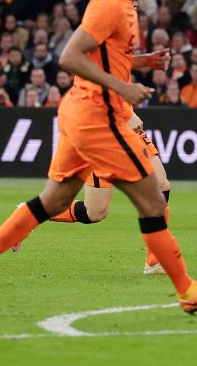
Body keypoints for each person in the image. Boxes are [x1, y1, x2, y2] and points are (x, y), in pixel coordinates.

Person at [0, 0, 197, 313]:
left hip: (82, 112)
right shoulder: (111, 5)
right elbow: (70, 57)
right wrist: (122, 89)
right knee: (152, 200)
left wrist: (144, 62)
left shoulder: (119, 3)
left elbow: (106, 56)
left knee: (54, 201)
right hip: (98, 116)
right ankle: (188, 291)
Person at [45, 113, 174, 275]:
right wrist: (128, 114)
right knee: (95, 213)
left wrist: (128, 112)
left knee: (161, 185)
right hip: (101, 136)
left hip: (128, 131)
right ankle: (37, 211)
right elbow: (100, 91)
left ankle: (154, 261)